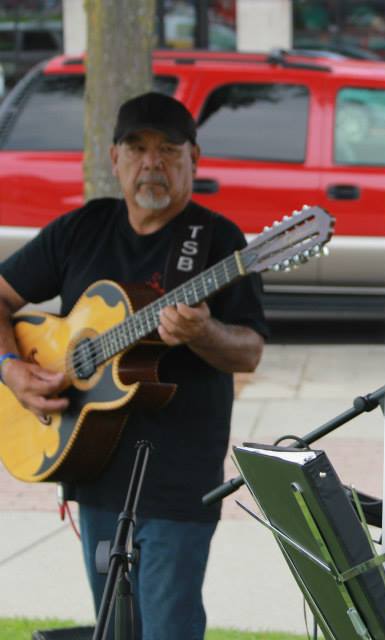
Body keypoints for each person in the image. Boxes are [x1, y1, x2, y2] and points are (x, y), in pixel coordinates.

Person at [0, 92, 268, 639]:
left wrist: (203, 332)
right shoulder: (83, 229)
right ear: (114, 157)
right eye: (138, 147)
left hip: (177, 479)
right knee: (114, 630)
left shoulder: (216, 240)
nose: (153, 162)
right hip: (93, 469)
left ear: (194, 159)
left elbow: (249, 350)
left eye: (169, 149)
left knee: (168, 629)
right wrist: (11, 367)